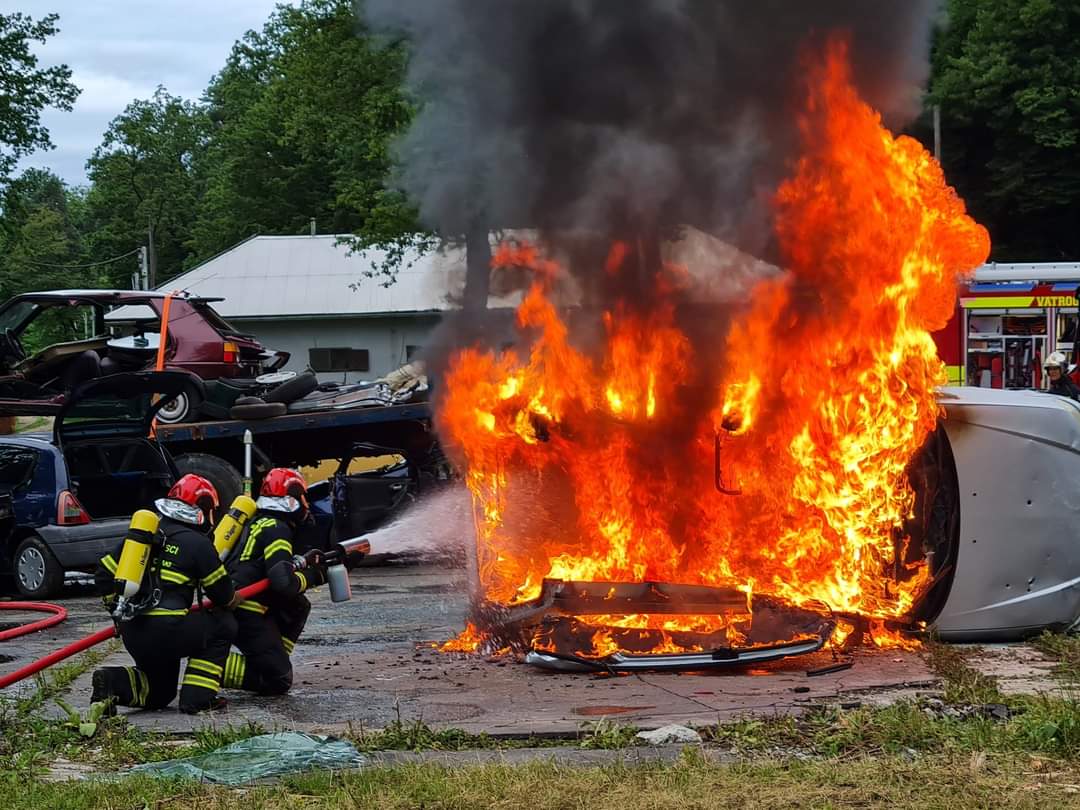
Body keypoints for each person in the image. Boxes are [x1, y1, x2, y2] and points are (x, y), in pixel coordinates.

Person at [91, 475, 238, 714]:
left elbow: (104, 574)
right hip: (169, 631)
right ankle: (198, 698)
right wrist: (234, 598)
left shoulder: (145, 535)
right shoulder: (198, 543)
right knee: (224, 624)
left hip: (133, 632)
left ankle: (111, 681)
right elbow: (223, 595)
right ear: (203, 509)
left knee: (161, 692)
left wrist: (116, 612)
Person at [222, 468, 327, 695]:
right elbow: (283, 583)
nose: (305, 505)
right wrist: (314, 576)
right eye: (302, 498)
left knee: (299, 605)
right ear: (292, 499)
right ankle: (209, 666)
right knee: (279, 680)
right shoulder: (278, 529)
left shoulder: (260, 521)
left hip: (243, 602)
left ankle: (273, 656)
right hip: (246, 608)